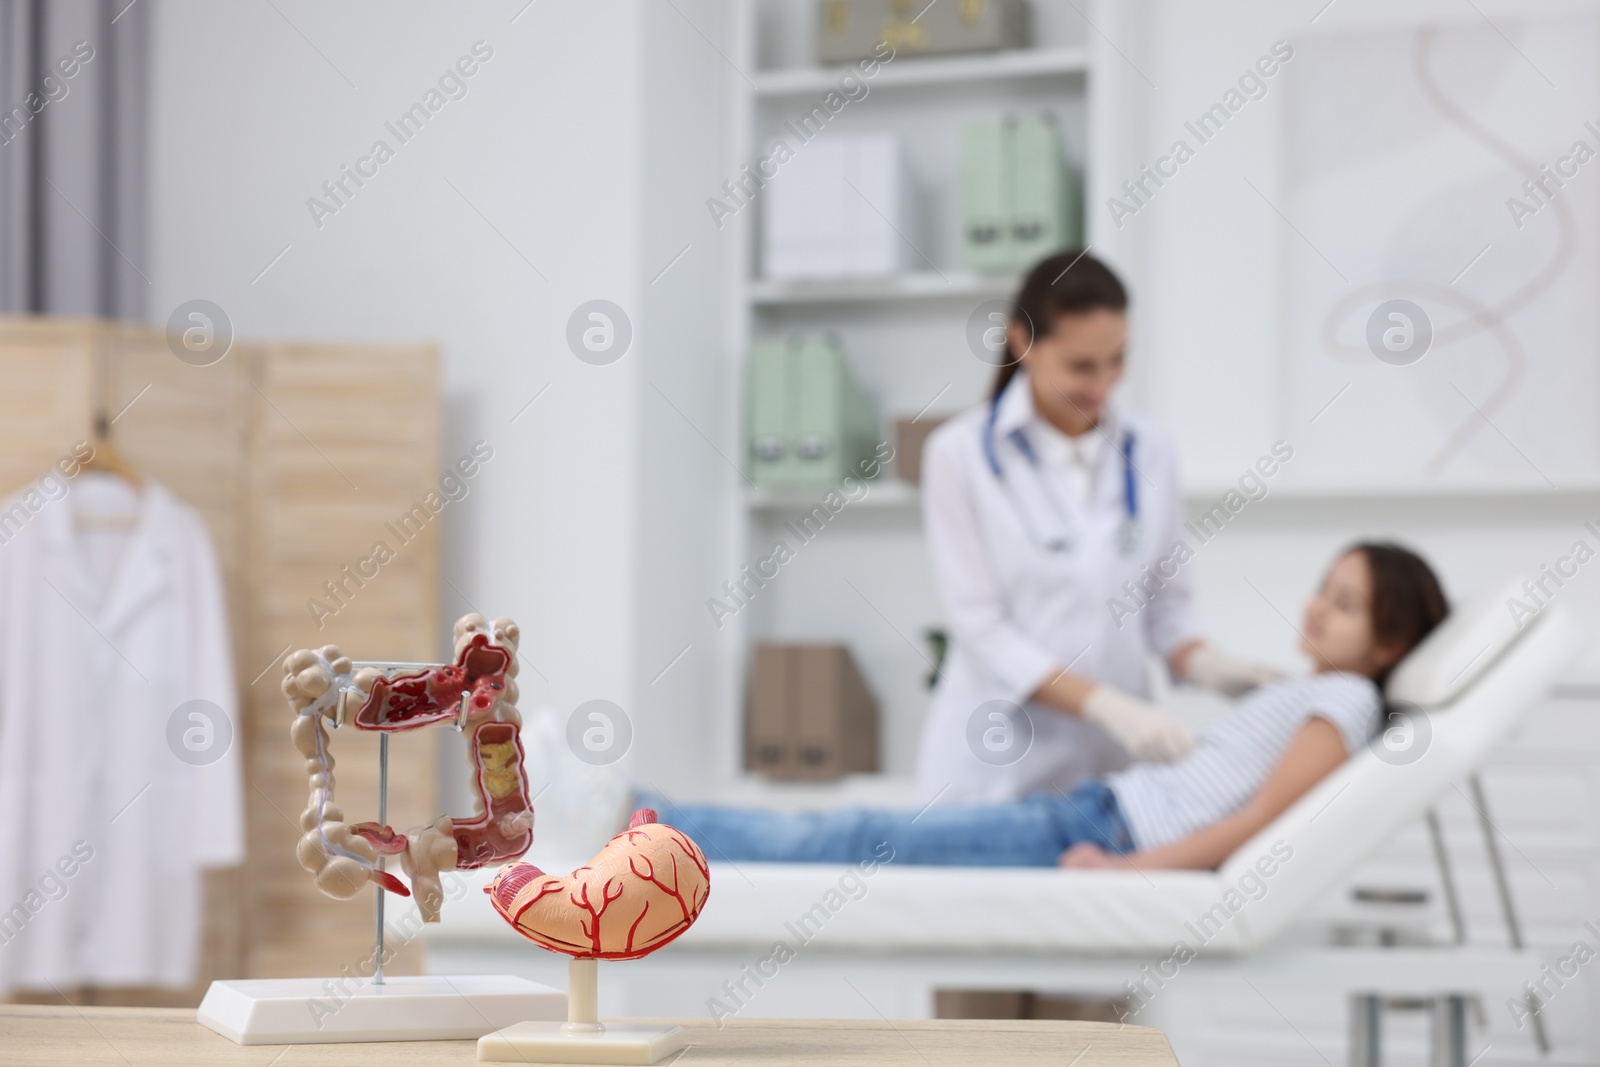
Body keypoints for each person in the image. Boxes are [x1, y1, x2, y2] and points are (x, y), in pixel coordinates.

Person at [643, 543, 1448, 870]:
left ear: (1387, 645)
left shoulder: (1344, 698)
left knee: (861, 836)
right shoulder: (1312, 686)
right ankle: (659, 822)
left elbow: (1260, 820)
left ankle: (656, 823)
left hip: (1105, 829)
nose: (1316, 607)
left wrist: (1124, 873)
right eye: (1323, 588)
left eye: (1344, 604)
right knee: (865, 835)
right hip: (1101, 809)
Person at [917, 250, 1279, 806]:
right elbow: (980, 628)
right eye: (1082, 366)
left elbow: (1165, 606)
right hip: (995, 766)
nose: (1104, 384)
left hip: (1111, 771)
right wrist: (1105, 706)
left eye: (1118, 361)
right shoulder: (959, 454)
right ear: (1023, 343)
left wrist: (1209, 666)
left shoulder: (1151, 449)